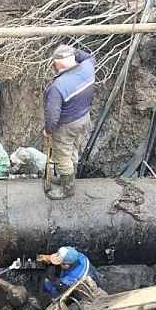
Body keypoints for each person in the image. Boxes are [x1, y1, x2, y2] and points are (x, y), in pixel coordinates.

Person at [44, 45, 96, 200]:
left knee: (62, 156)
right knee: (73, 150)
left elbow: (52, 114)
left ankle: (67, 189)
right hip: (84, 119)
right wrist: (71, 51)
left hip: (67, 126)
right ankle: (67, 179)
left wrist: (48, 130)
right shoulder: (88, 68)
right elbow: (89, 57)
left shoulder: (58, 87)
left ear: (58, 65)